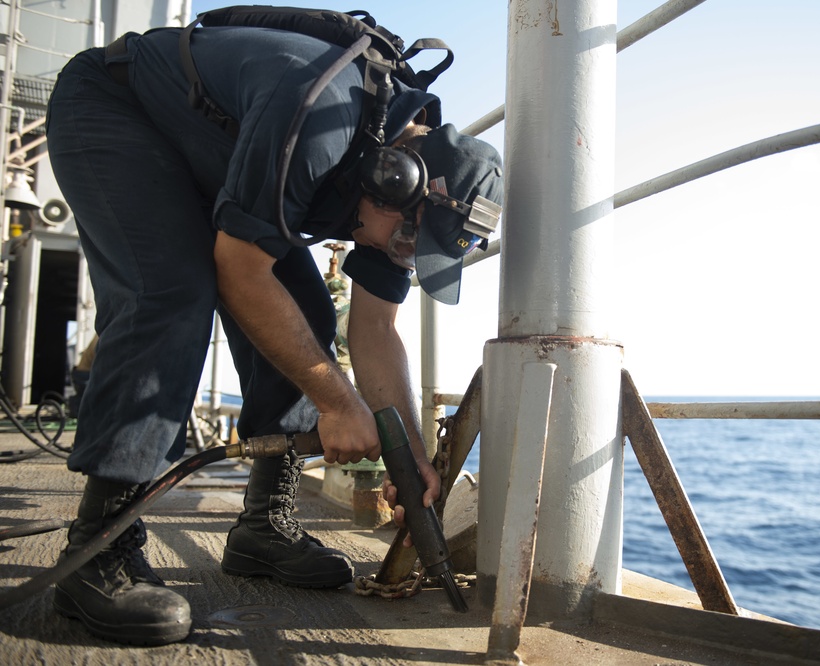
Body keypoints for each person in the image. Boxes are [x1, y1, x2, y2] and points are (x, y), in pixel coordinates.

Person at [44, 17, 502, 647]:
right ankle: (97, 552)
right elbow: (240, 274)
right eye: (406, 239)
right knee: (171, 294)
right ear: (394, 178)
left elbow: (375, 327)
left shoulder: (389, 191)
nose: (402, 254)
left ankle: (264, 527)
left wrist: (413, 456)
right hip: (116, 109)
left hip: (216, 156)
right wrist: (338, 403)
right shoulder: (321, 119)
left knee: (309, 320)